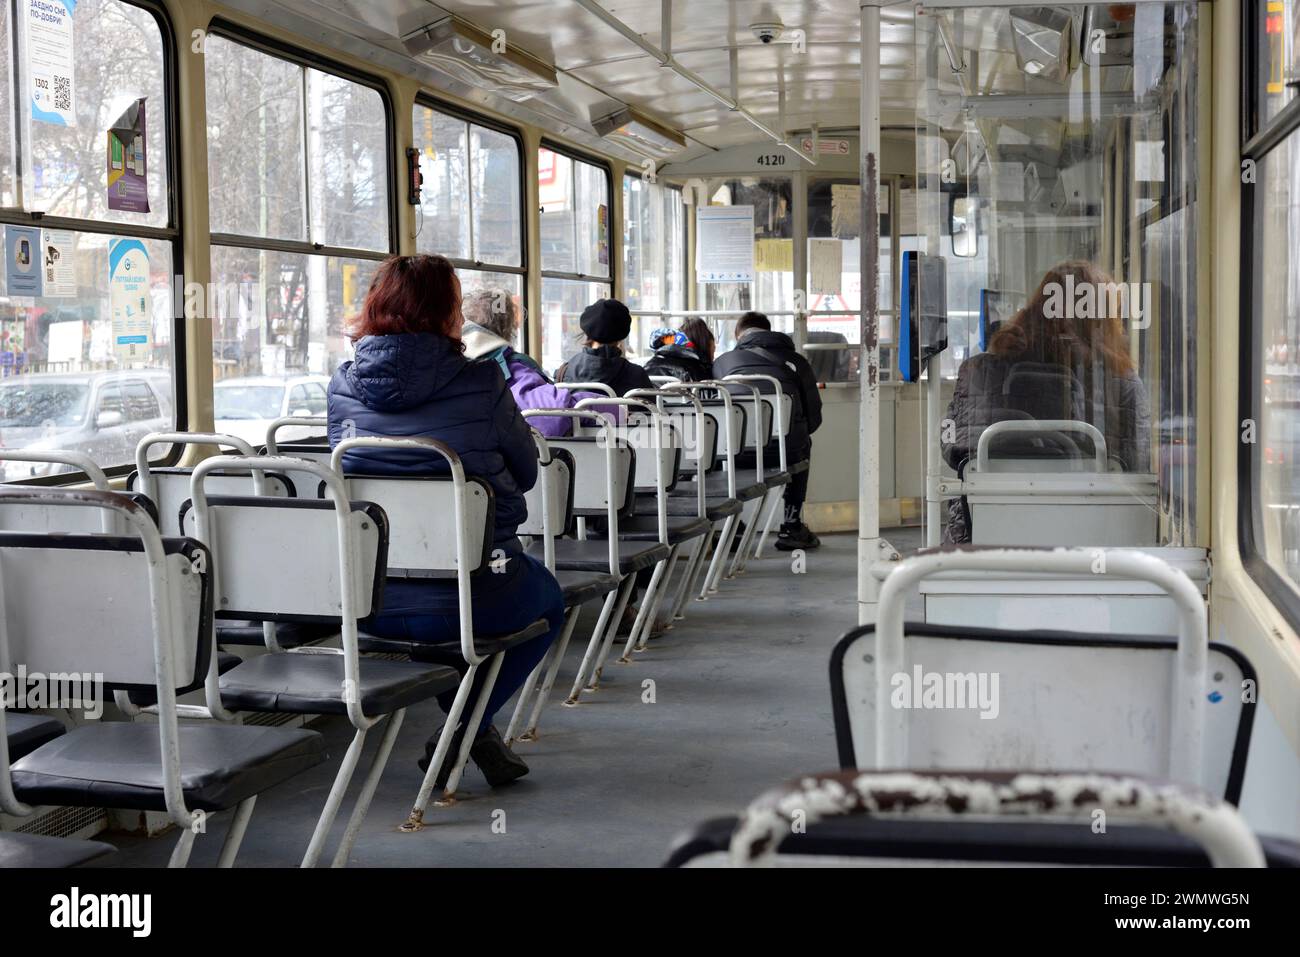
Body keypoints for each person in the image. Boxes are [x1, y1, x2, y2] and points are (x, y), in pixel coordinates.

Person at [327, 255, 565, 788]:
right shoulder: (482, 382)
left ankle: (470, 728)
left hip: (366, 599)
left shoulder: (341, 385)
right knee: (547, 603)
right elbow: (525, 473)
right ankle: (464, 729)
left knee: (460, 630)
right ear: (448, 312)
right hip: (475, 589)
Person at [940, 260, 1152, 544]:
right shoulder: (1122, 383)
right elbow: (1137, 462)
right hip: (1093, 537)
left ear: (1036, 308)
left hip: (982, 534)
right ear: (1104, 321)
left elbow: (952, 447)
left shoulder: (977, 372)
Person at [713, 311, 824, 551]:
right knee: (804, 444)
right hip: (786, 450)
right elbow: (814, 417)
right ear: (770, 330)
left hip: (737, 451)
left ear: (738, 335)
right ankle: (791, 525)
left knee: (721, 451)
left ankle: (732, 526)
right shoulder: (797, 362)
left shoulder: (723, 362)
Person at [460, 288, 618, 436]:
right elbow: (553, 416)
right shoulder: (511, 370)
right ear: (508, 328)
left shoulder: (450, 365)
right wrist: (619, 409)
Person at [556, 298, 654, 395]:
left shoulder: (564, 372)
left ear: (587, 332)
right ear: (622, 335)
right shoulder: (637, 375)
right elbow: (650, 408)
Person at [644, 318, 715, 381]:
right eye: (713, 350)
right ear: (705, 347)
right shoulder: (698, 371)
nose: (713, 358)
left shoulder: (649, 365)